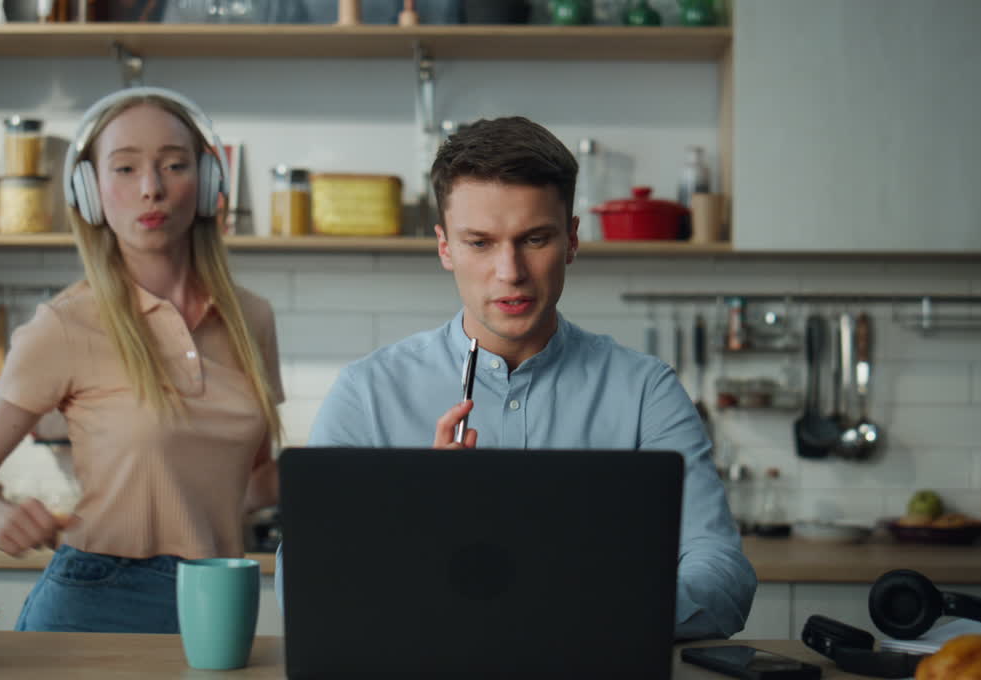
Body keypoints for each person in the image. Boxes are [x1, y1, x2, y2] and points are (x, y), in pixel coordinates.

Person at [276, 116, 756, 639]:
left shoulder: (646, 393)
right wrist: (415, 521)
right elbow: (301, 582)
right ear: (444, 247)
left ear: (571, 240)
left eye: (534, 238)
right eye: (479, 242)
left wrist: (593, 613)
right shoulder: (367, 394)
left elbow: (723, 575)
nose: (510, 271)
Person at [0, 87, 284, 633]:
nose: (151, 188)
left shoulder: (252, 319)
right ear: (90, 190)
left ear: (206, 182)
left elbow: (255, 482)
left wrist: (354, 470)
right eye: (125, 169)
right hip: (96, 597)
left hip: (219, 595)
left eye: (174, 165)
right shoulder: (64, 323)